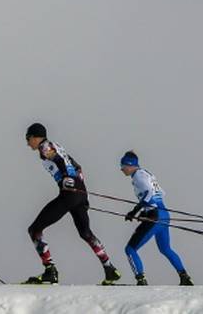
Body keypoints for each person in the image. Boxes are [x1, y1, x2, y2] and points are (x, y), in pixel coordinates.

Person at [23, 122, 120, 285]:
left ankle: (50, 271)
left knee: (34, 229)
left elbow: (59, 161)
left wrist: (67, 177)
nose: (27, 143)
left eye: (28, 139)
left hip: (69, 193)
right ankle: (109, 268)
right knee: (85, 233)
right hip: (79, 192)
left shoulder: (44, 146)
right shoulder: (56, 146)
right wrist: (84, 196)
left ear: (35, 137)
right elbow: (78, 167)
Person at [119, 151, 193, 286]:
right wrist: (144, 212)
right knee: (165, 249)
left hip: (156, 216)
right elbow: (160, 193)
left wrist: (135, 211)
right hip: (163, 214)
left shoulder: (138, 177)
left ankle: (141, 280)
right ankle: (185, 277)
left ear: (130, 165)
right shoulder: (146, 174)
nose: (121, 169)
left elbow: (148, 193)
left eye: (123, 165)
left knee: (130, 249)